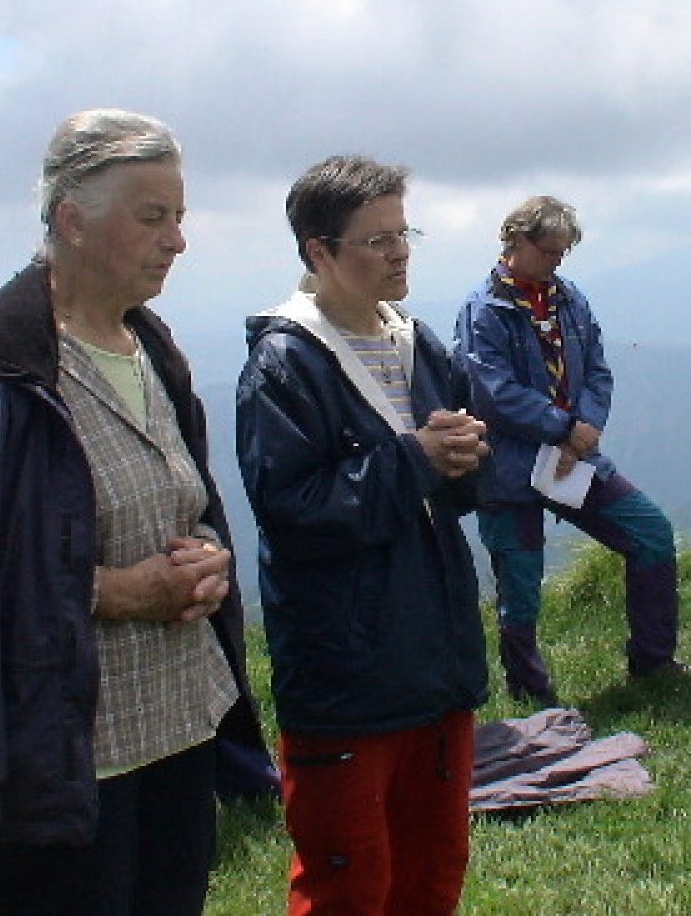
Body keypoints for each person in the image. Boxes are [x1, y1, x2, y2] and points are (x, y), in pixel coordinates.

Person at [0, 109, 272, 915]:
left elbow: (184, 498)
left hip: (181, 725)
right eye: (152, 216)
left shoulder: (149, 348)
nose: (177, 240)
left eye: (179, 216)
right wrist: (110, 591)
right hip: (69, 755)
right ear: (71, 220)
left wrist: (207, 556)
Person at [236, 154, 490, 915]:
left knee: (431, 874)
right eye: (377, 240)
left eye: (404, 233)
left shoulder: (418, 342)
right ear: (319, 252)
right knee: (348, 885)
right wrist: (417, 460)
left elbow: (458, 486)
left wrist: (467, 457)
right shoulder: (286, 363)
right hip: (347, 678)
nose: (400, 252)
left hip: (435, 667)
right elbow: (293, 511)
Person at [456, 195, 686, 702]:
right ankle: (529, 689)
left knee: (650, 532)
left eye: (562, 253)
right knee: (520, 583)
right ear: (517, 241)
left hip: (574, 456)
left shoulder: (569, 298)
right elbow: (492, 392)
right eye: (548, 251)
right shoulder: (483, 310)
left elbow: (598, 370)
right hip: (509, 468)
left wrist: (585, 431)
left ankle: (654, 661)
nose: (556, 262)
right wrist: (563, 428)